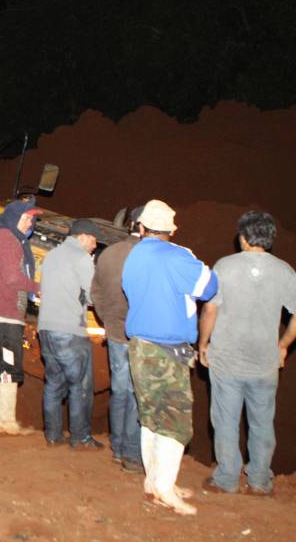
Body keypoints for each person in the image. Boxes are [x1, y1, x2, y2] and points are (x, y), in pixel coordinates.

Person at [122, 199, 218, 515]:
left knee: (150, 415)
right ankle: (164, 490)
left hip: (139, 347)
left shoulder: (133, 256)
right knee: (175, 422)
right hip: (168, 353)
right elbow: (210, 286)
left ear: (140, 227)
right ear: (172, 230)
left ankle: (156, 482)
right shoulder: (179, 257)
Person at [198, 211, 296, 496]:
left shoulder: (224, 267)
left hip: (227, 359)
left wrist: (203, 343)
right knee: (262, 422)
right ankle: (260, 481)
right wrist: (283, 345)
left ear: (242, 237)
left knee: (225, 420)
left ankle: (227, 478)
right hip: (264, 362)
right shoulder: (285, 271)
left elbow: (210, 309)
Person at [0, 197, 42, 436]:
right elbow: (13, 278)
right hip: (5, 313)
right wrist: (37, 287)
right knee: (8, 365)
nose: (30, 224)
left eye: (32, 219)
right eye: (27, 219)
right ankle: (6, 421)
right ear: (16, 218)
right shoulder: (9, 240)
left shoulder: (2, 236)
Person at [38, 218, 102, 450]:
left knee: (54, 383)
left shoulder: (51, 256)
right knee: (80, 385)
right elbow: (94, 296)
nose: (95, 245)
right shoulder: (82, 258)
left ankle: (53, 435)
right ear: (83, 237)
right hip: (70, 331)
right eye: (94, 240)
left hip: (45, 328)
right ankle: (80, 437)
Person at [91, 205, 146, 473]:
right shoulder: (150, 256)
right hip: (142, 337)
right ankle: (132, 454)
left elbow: (96, 292)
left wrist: (108, 320)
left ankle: (117, 447)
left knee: (120, 391)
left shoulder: (109, 253)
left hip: (115, 333)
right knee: (138, 394)